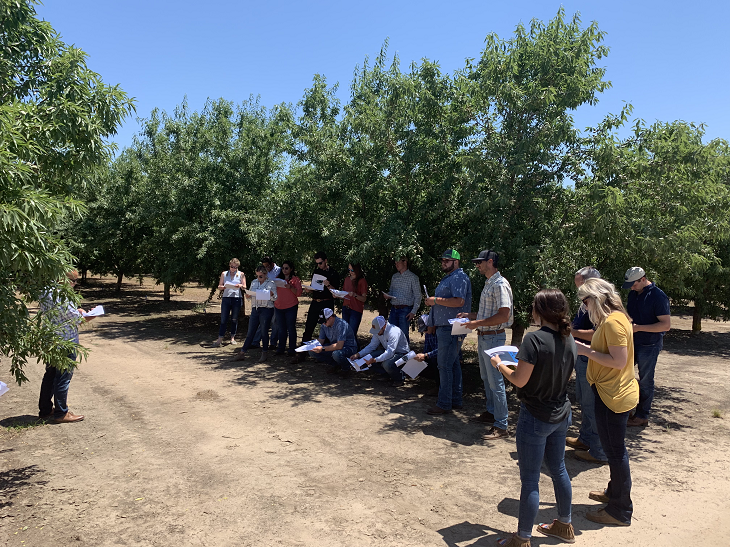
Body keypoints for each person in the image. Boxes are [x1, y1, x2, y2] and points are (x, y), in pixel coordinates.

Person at [491, 289, 576, 547]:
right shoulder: (568, 337)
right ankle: (564, 524)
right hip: (560, 413)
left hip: (536, 416)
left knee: (530, 480)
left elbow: (520, 380)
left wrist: (499, 364)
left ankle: (522, 538)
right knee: (559, 469)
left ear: (539, 311)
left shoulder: (533, 339)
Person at [576, 278, 638, 527]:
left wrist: (584, 350)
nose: (584, 306)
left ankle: (620, 510)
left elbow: (619, 361)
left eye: (585, 300)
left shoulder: (612, 322)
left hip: (614, 394)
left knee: (615, 452)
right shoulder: (615, 318)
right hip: (609, 391)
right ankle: (614, 493)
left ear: (596, 298)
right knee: (614, 449)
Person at [462, 249, 513, 440]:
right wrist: (470, 316)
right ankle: (492, 413)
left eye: (479, 262)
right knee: (486, 378)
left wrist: (477, 323)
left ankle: (501, 425)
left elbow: (503, 315)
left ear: (490, 262)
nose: (477, 265)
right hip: (486, 337)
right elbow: (488, 314)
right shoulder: (490, 283)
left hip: (493, 337)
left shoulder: (500, 284)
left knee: (495, 381)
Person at [38, 270, 97, 423]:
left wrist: (77, 311)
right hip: (65, 341)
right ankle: (61, 413)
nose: (75, 284)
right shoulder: (62, 295)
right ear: (64, 279)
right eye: (74, 280)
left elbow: (62, 313)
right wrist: (93, 314)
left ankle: (45, 410)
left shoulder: (45, 291)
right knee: (63, 378)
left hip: (51, 340)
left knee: (50, 375)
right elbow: (77, 319)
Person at [567, 266, 607, 465]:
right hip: (583, 355)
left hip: (591, 356)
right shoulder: (586, 303)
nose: (579, 291)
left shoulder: (601, 306)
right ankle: (585, 438)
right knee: (583, 400)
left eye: (581, 285)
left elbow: (597, 334)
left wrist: (572, 333)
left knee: (592, 404)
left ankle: (599, 450)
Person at [423, 249, 472, 415]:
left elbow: (459, 301)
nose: (443, 262)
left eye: (447, 260)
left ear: (456, 262)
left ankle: (444, 403)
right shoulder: (451, 277)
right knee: (453, 364)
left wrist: (435, 300)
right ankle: (455, 400)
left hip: (452, 328)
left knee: (444, 365)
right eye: (443, 260)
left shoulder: (459, 277)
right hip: (447, 327)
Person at [622, 266, 671, 427]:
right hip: (632, 342)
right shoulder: (633, 294)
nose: (632, 288)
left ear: (643, 279)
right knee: (624, 374)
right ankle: (625, 409)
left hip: (649, 344)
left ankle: (642, 415)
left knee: (645, 380)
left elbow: (665, 325)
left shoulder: (658, 296)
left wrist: (639, 327)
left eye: (634, 284)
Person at [234, 266, 278, 363]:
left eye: (261, 276)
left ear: (265, 274)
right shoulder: (254, 282)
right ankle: (242, 353)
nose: (259, 278)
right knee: (250, 332)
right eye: (257, 276)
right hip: (255, 309)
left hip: (266, 309)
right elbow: (250, 296)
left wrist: (270, 295)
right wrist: (248, 295)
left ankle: (264, 352)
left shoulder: (271, 283)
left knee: (264, 331)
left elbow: (275, 297)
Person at [352, 316, 410, 385]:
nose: (377, 333)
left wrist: (375, 360)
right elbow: (372, 346)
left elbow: (390, 352)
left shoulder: (394, 332)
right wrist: (358, 354)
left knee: (387, 364)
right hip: (389, 351)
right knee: (369, 357)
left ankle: (400, 378)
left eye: (378, 331)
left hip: (401, 354)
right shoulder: (378, 331)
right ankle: (387, 374)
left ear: (384, 326)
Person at [300, 252, 341, 349]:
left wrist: (328, 285)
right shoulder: (316, 272)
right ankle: (302, 351)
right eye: (317, 263)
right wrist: (309, 289)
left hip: (327, 302)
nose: (319, 265)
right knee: (309, 326)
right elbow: (314, 286)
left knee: (327, 327)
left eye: (320, 263)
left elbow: (336, 293)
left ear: (326, 260)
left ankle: (324, 352)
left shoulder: (334, 273)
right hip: (315, 302)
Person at [309, 308, 358, 376]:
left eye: (325, 321)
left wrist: (322, 348)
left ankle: (346, 368)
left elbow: (339, 346)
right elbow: (321, 340)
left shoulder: (341, 325)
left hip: (348, 348)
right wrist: (311, 347)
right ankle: (335, 365)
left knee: (336, 354)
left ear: (331, 318)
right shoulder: (324, 325)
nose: (323, 323)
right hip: (333, 347)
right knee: (312, 352)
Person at [383, 256, 421, 342]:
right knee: (390, 333)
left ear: (405, 262)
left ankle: (405, 354)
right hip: (394, 309)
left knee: (403, 335)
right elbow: (391, 291)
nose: (396, 265)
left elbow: (418, 296)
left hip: (405, 310)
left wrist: (413, 312)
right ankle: (393, 354)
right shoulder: (394, 276)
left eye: (398, 262)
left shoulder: (413, 277)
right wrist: (388, 295)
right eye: (395, 263)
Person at [213, 258, 246, 347]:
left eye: (235, 267)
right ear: (229, 265)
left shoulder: (241, 274)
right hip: (226, 298)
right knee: (224, 319)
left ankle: (232, 338)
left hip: (236, 298)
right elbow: (219, 286)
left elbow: (244, 286)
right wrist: (223, 287)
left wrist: (240, 285)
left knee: (234, 319)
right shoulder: (224, 274)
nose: (233, 269)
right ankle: (220, 338)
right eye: (232, 267)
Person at [274, 260, 302, 361]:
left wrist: (290, 287)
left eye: (287, 268)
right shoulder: (277, 279)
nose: (284, 270)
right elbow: (272, 291)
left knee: (291, 328)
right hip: (279, 306)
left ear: (291, 269)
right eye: (283, 268)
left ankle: (292, 349)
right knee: (281, 329)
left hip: (291, 307)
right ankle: (281, 348)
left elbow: (298, 293)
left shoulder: (295, 279)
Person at [253, 256, 281, 349]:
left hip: (276, 299)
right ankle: (256, 342)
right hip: (264, 300)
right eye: (264, 266)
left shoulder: (279, 270)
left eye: (268, 266)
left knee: (275, 322)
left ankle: (273, 343)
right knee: (263, 323)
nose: (267, 268)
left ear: (272, 263)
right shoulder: (263, 272)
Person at [342, 263, 368, 338]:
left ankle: (354, 349)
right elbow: (344, 294)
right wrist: (337, 295)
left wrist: (355, 295)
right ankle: (348, 348)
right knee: (345, 333)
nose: (350, 272)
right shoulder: (347, 279)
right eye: (349, 269)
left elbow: (364, 298)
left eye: (352, 270)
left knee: (351, 334)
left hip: (355, 310)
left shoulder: (362, 281)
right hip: (345, 308)